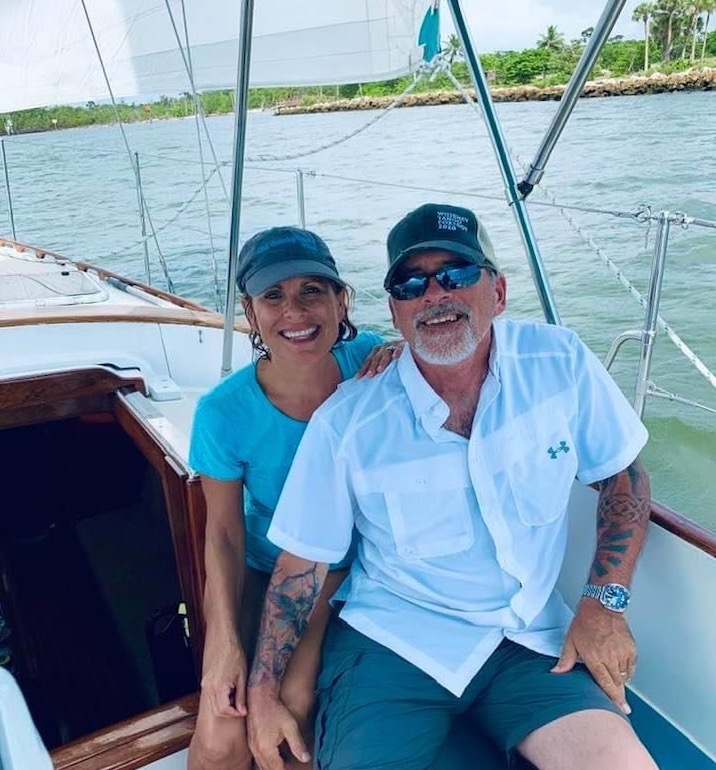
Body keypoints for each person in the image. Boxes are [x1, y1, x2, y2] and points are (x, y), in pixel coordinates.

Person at [246, 203, 659, 770]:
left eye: (458, 274)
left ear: (499, 291)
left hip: (533, 639)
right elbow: (300, 569)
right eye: (411, 284)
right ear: (394, 310)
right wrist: (264, 695)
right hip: (394, 643)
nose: (435, 294)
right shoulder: (348, 422)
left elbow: (624, 473)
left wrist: (604, 602)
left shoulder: (559, 363)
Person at [187, 226, 398, 770]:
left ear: (340, 299)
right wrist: (222, 642)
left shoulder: (375, 362)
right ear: (250, 312)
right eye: (273, 296)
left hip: (348, 569)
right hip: (268, 565)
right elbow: (225, 535)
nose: (295, 312)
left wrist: (402, 350)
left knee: (294, 703)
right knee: (219, 726)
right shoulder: (223, 412)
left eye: (312, 291)